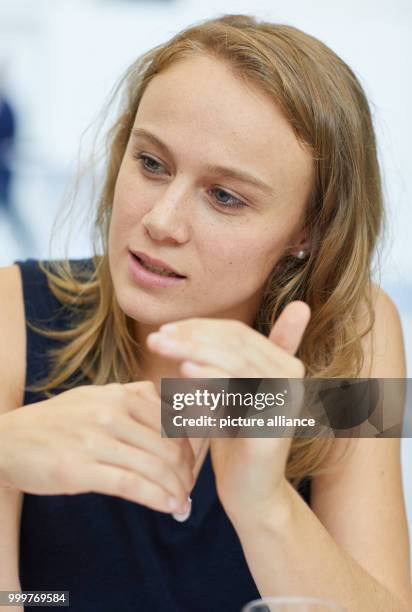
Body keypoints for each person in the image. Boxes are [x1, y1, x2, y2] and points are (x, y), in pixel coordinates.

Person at [0, 13, 411, 612]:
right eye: (152, 163)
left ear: (310, 232)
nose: (160, 221)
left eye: (224, 196)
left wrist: (264, 506)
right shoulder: (15, 315)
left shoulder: (349, 336)